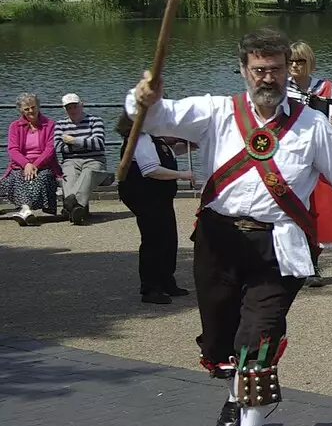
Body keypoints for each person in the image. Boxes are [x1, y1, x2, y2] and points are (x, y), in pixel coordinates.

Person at [127, 28, 332, 426]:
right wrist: (144, 97)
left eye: (275, 68)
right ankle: (236, 392)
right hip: (218, 242)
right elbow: (155, 118)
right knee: (220, 341)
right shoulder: (215, 112)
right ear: (245, 70)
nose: (267, 77)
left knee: (258, 340)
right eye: (258, 69)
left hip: (280, 245)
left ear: (289, 68)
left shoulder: (313, 125)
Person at [286, 42, 332, 287]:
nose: (294, 65)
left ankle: (312, 263)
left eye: (300, 61)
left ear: (309, 63)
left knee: (318, 212)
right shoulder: (280, 90)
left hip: (318, 159)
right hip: (289, 159)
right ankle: (290, 263)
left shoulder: (326, 88)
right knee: (290, 212)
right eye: (290, 61)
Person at [115, 112, 195, 304]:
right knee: (153, 241)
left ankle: (167, 280)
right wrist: (182, 174)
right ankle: (150, 288)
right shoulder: (141, 139)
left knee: (168, 239)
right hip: (145, 197)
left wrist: (194, 142)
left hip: (160, 197)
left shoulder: (153, 138)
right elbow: (150, 169)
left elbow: (169, 152)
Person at [3, 93, 59, 225]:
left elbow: (50, 149)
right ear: (21, 110)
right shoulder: (15, 126)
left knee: (42, 178)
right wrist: (26, 164)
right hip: (21, 164)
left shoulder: (49, 125)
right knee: (17, 177)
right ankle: (27, 210)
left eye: (33, 107)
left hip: (44, 164)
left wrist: (36, 165)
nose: (30, 111)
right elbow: (13, 149)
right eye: (26, 109)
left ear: (38, 107)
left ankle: (25, 210)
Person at [54, 93, 109, 225]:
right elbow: (58, 147)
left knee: (88, 173)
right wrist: (85, 143)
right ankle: (77, 209)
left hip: (94, 161)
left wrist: (73, 141)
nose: (72, 110)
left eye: (75, 106)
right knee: (69, 175)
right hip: (70, 161)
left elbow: (98, 143)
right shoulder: (60, 125)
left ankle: (70, 204)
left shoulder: (96, 121)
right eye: (69, 108)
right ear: (64, 109)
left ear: (81, 105)